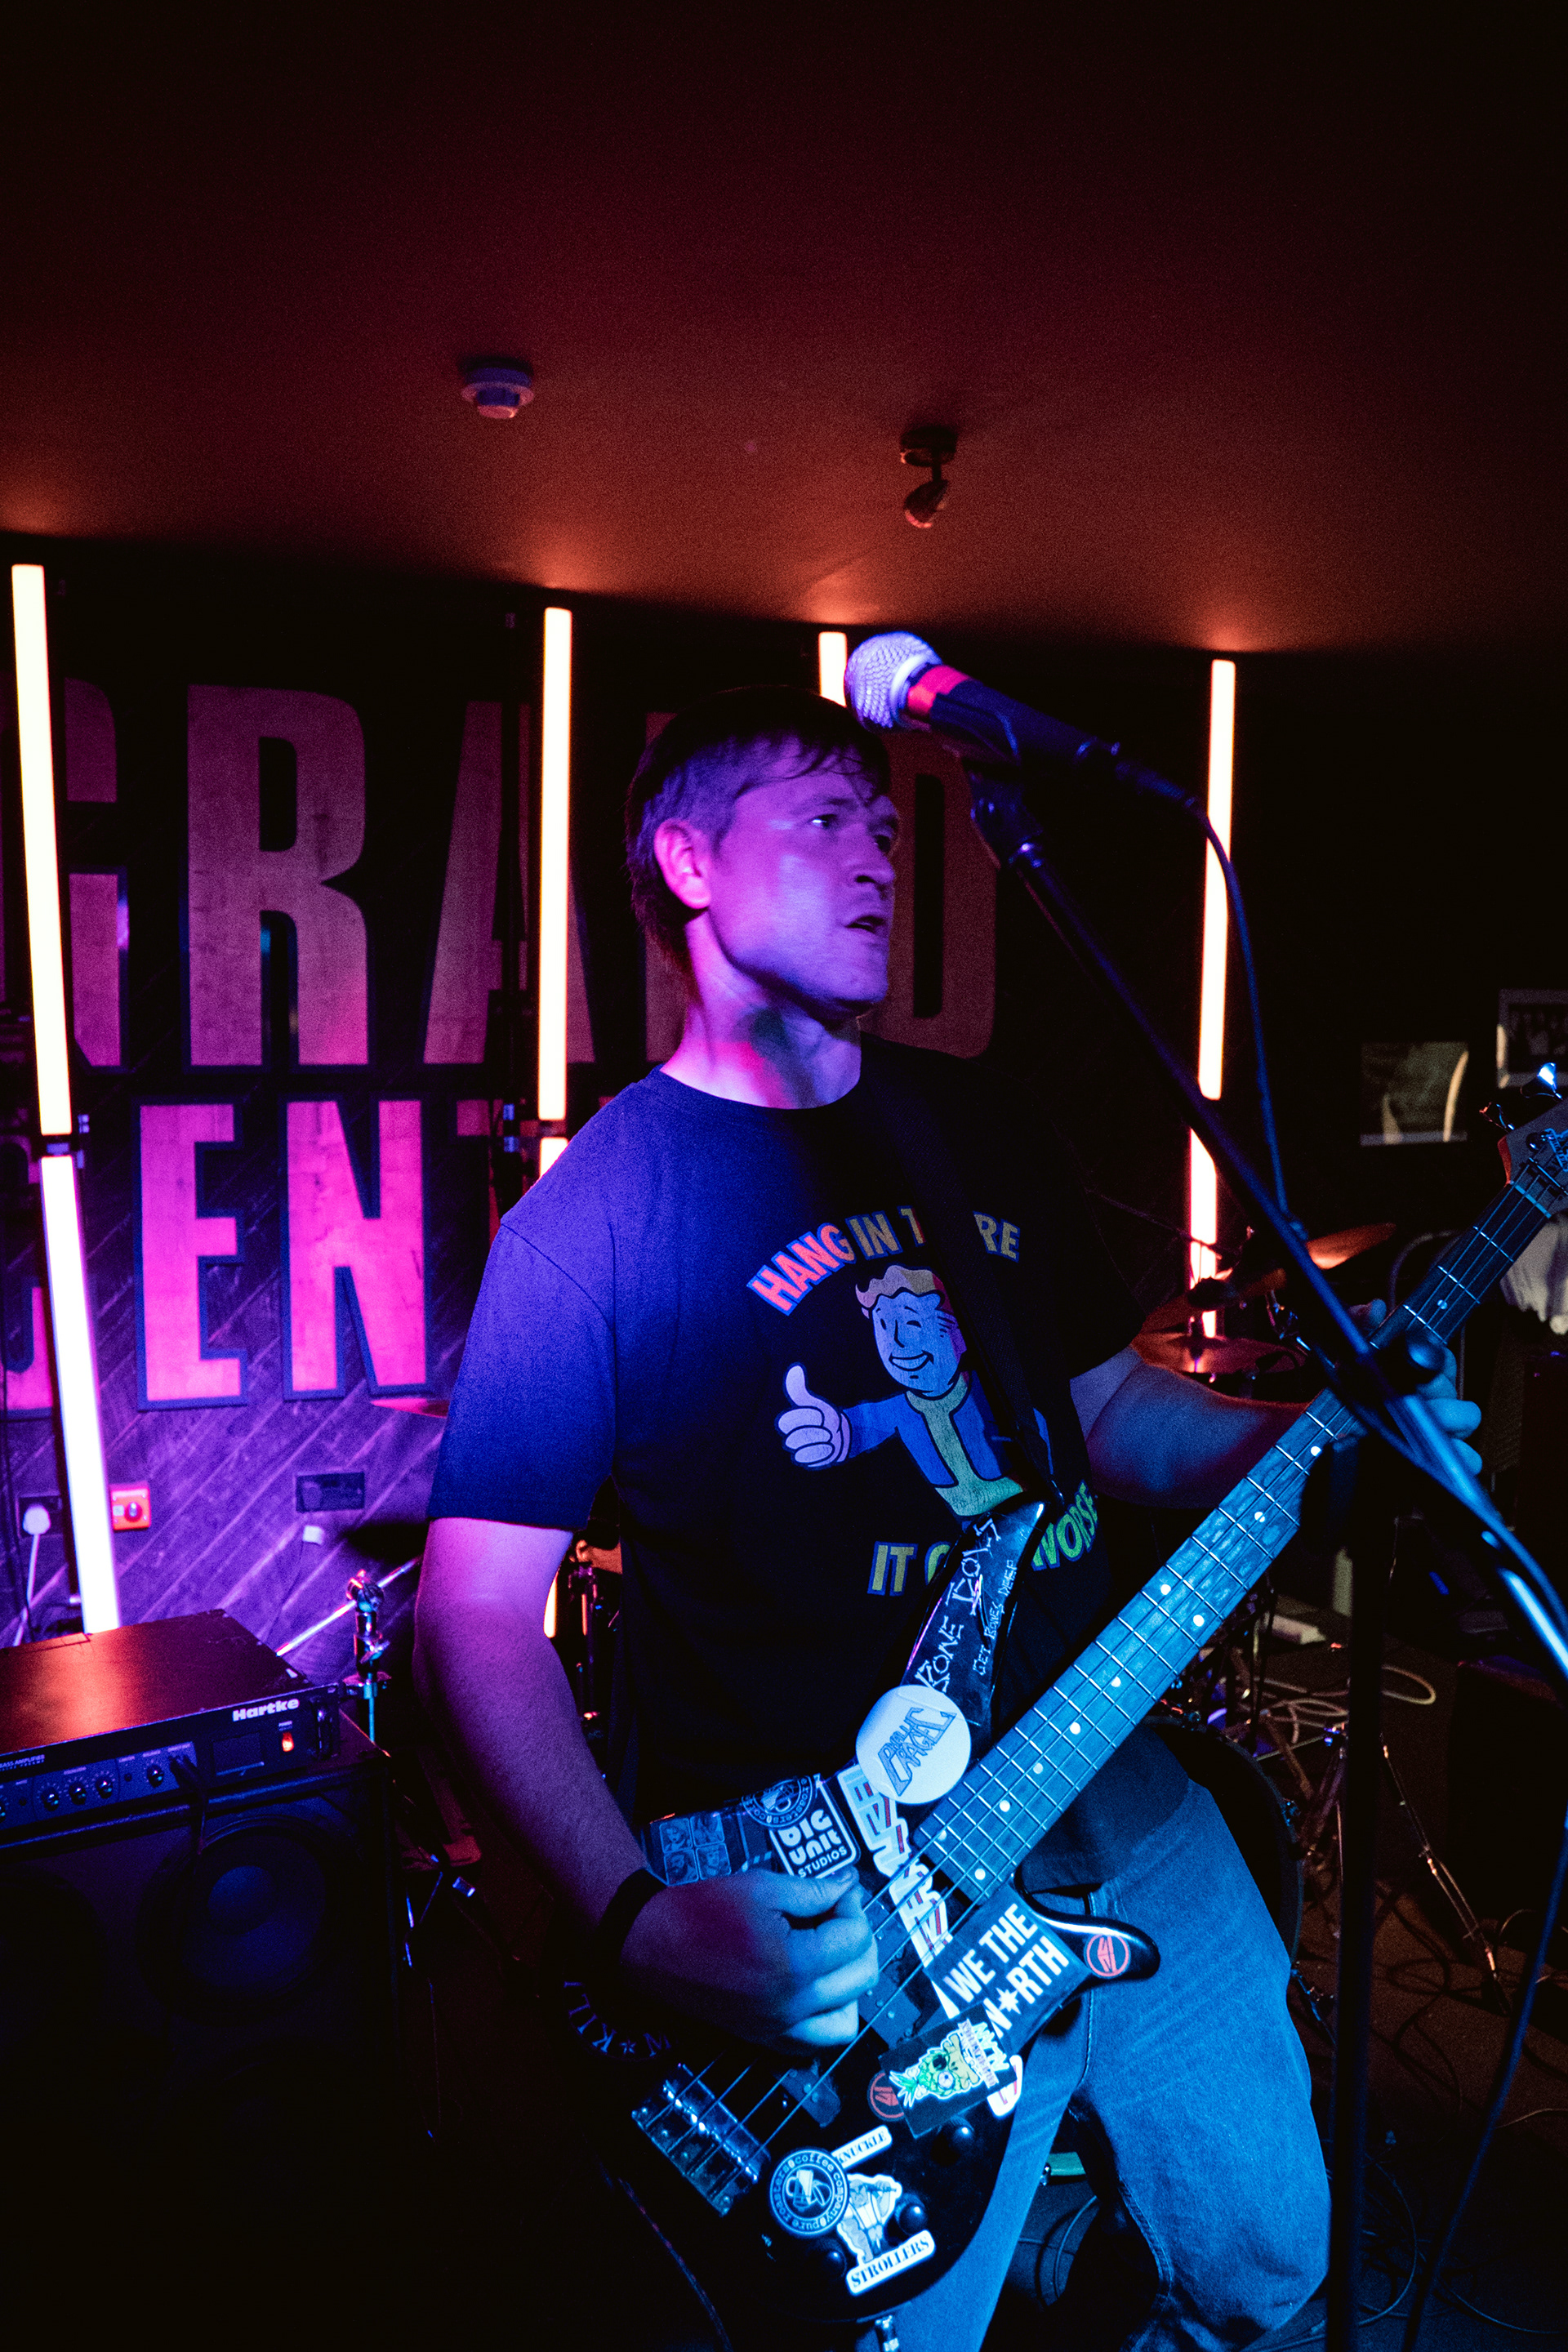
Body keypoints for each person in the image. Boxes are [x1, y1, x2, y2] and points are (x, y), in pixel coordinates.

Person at [414, 685, 1481, 2351]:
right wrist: (632, 1921)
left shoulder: (975, 1123)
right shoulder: (595, 1220)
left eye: (884, 824)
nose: (879, 856)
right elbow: (473, 1615)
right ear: (688, 864)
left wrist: (1323, 1433)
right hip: (836, 1882)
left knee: (1269, 2262)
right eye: (822, 818)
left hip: (1105, 1775)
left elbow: (1110, 1415)